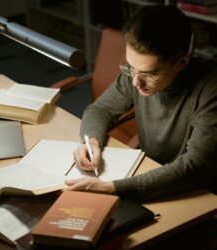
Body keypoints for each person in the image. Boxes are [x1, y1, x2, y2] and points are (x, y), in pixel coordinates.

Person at [64, 5, 217, 201]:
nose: (136, 82)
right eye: (131, 68)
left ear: (181, 63)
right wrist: (92, 139)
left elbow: (196, 168)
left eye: (149, 74)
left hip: (197, 193)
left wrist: (113, 188)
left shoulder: (211, 89)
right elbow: (100, 108)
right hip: (149, 172)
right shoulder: (136, 72)